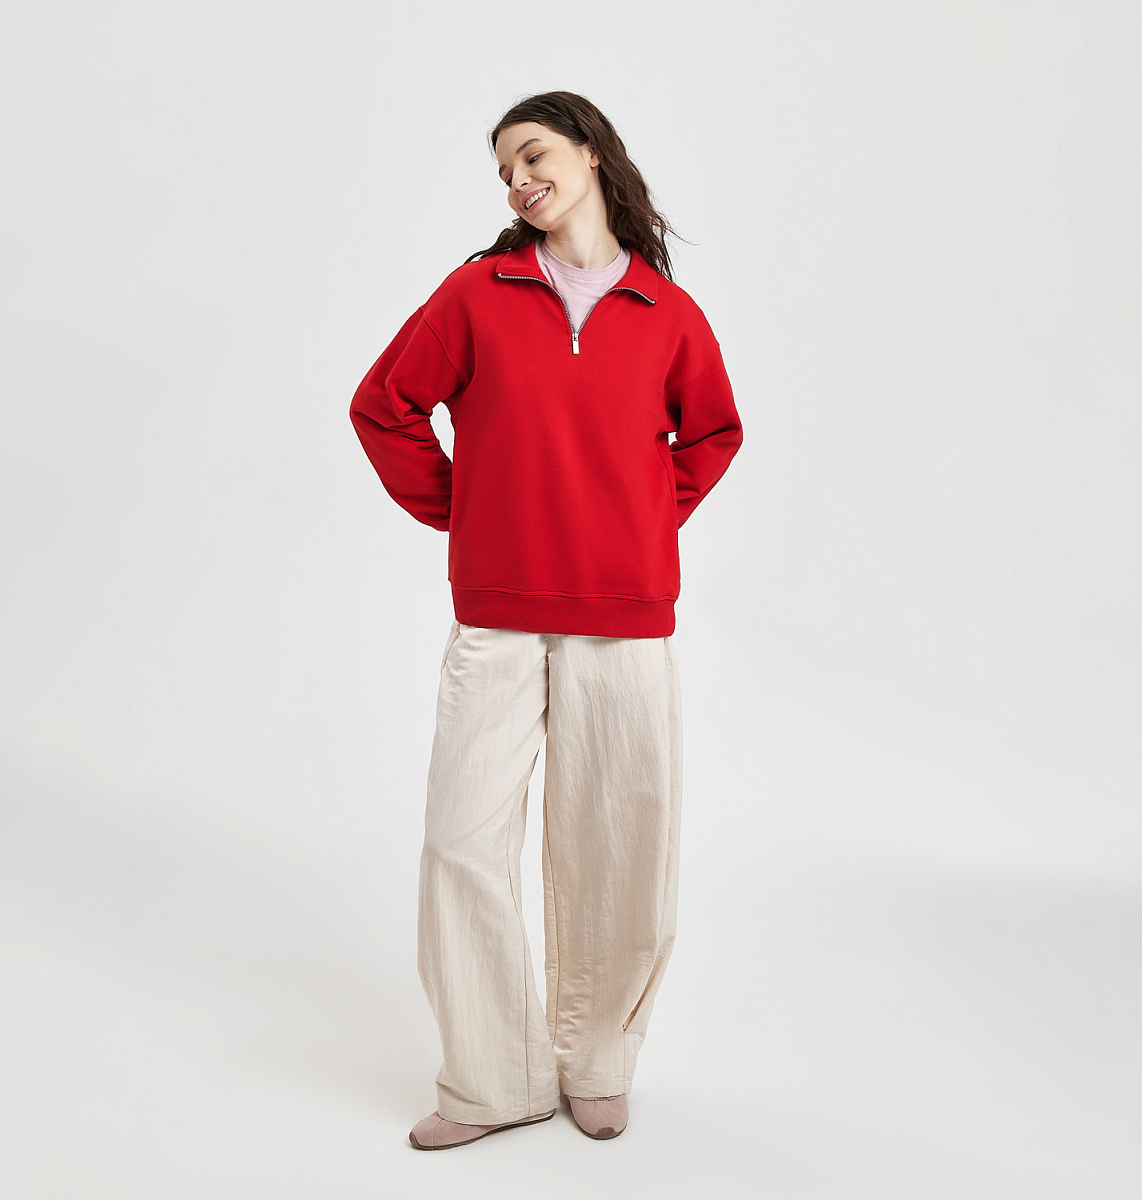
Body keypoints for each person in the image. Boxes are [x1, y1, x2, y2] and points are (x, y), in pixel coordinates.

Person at [349, 90, 743, 1150]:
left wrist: (642, 522)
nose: (519, 180)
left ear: (590, 152)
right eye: (504, 171)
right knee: (461, 842)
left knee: (619, 841)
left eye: (532, 155)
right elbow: (383, 406)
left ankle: (596, 1060)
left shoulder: (666, 311)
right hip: (499, 613)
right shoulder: (475, 293)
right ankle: (493, 1081)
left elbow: (713, 433)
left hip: (626, 616)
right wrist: (464, 508)